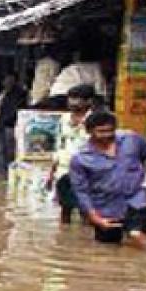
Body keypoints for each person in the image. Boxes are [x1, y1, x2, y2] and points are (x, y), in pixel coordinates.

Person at [69, 111, 146, 249]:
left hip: (137, 200)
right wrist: (94, 217)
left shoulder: (131, 139)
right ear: (89, 131)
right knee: (108, 248)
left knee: (136, 234)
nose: (107, 135)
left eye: (110, 130)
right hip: (106, 208)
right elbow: (81, 191)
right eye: (101, 132)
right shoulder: (81, 159)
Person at [47, 84, 100, 224]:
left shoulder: (96, 121)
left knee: (86, 210)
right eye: (71, 98)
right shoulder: (63, 120)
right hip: (63, 170)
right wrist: (51, 173)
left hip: (87, 171)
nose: (72, 102)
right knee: (65, 208)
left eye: (77, 99)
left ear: (89, 102)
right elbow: (59, 146)